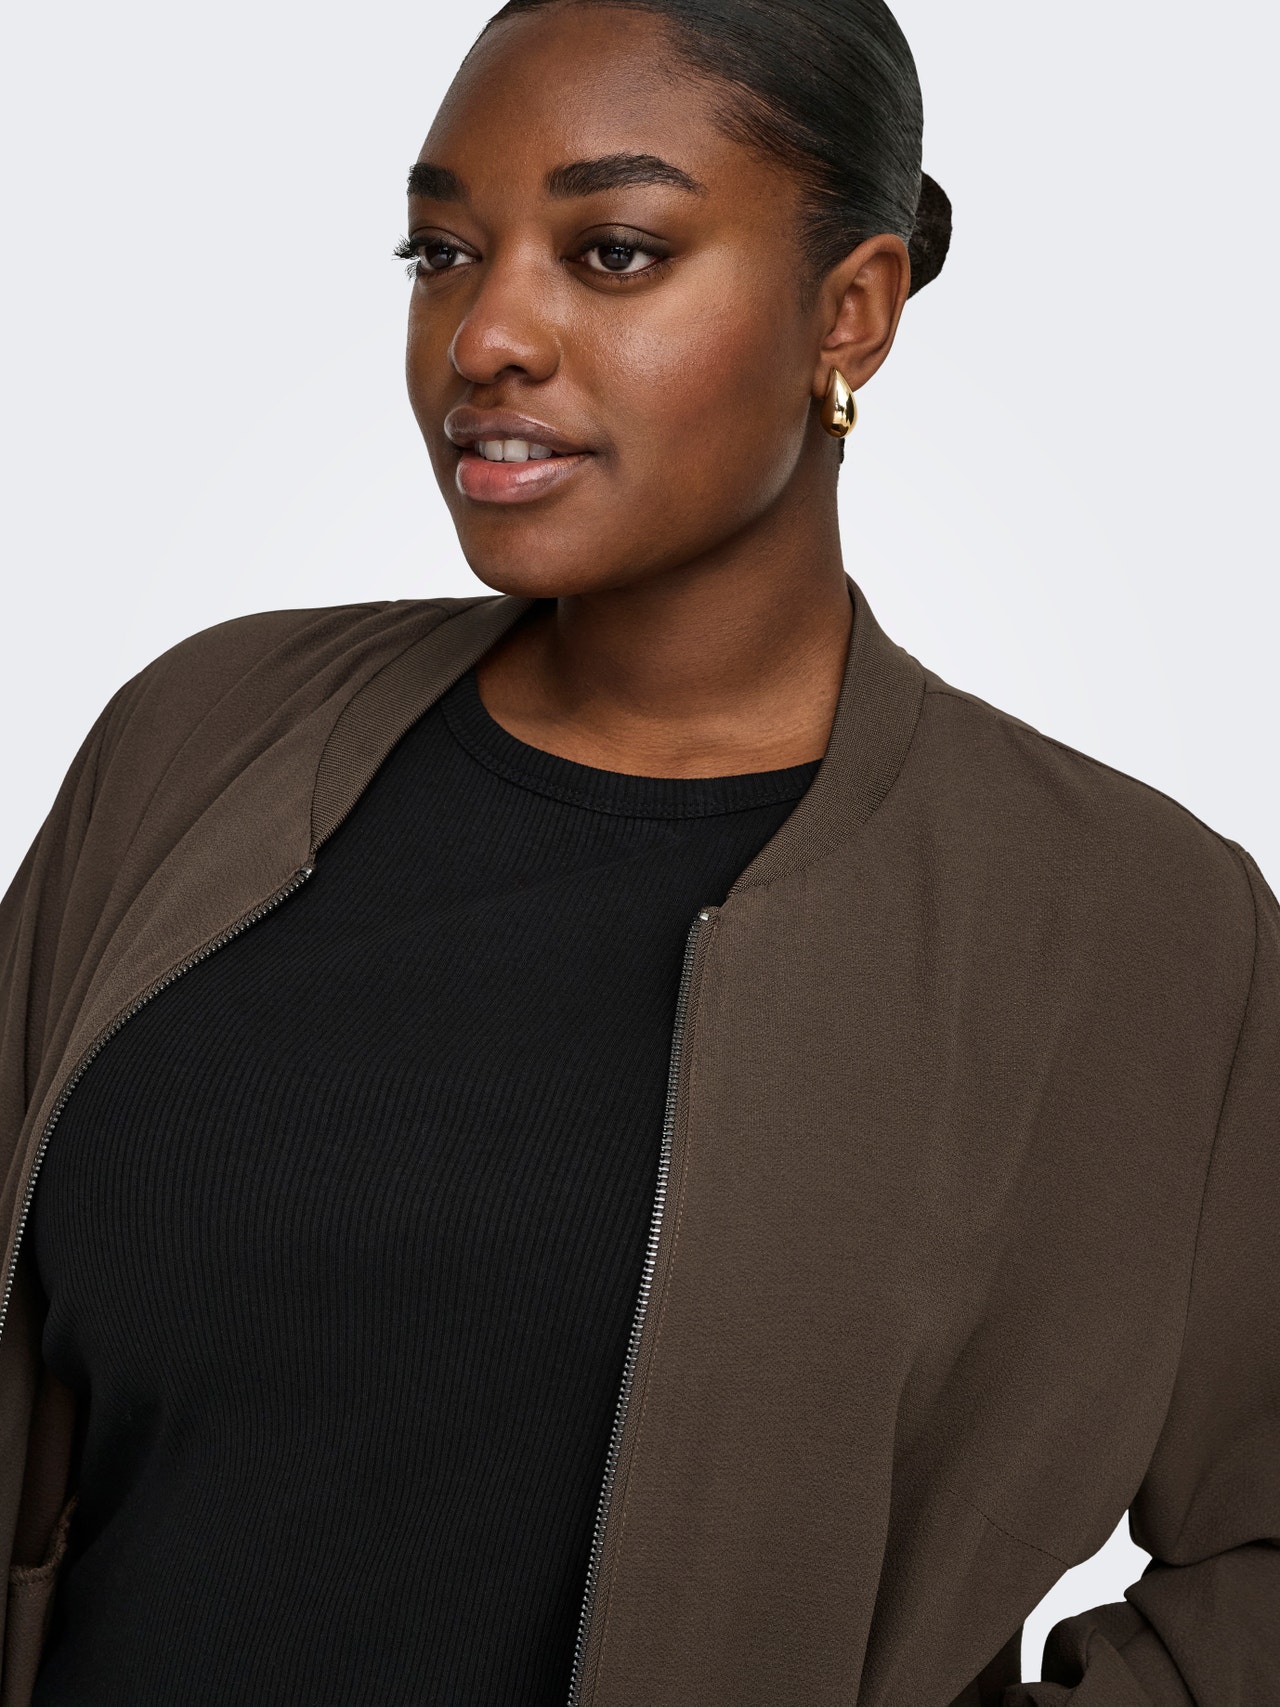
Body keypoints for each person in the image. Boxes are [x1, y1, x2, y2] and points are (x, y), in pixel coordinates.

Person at [0, 0, 1275, 1702]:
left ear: (852, 310)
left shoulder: (1132, 926)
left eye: (612, 253)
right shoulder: (203, 736)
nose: (484, 336)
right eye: (442, 252)